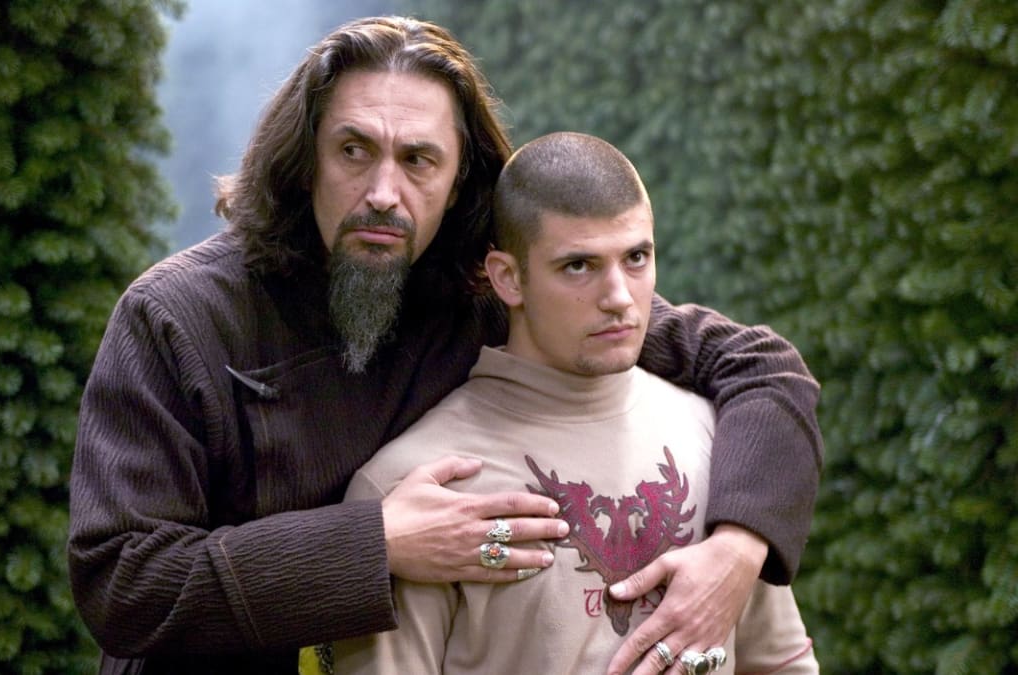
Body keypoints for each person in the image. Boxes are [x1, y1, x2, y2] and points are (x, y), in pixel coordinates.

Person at [67, 16, 822, 675]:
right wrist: (375, 542)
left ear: (462, 180)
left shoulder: (483, 291)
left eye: (418, 160)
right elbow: (122, 582)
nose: (383, 193)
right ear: (304, 161)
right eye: (354, 150)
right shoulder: (176, 318)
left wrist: (736, 552)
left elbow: (759, 367)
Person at [332, 131, 818, 675]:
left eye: (636, 257)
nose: (619, 298)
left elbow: (782, 665)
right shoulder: (410, 492)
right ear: (508, 278)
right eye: (579, 266)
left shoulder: (721, 438)